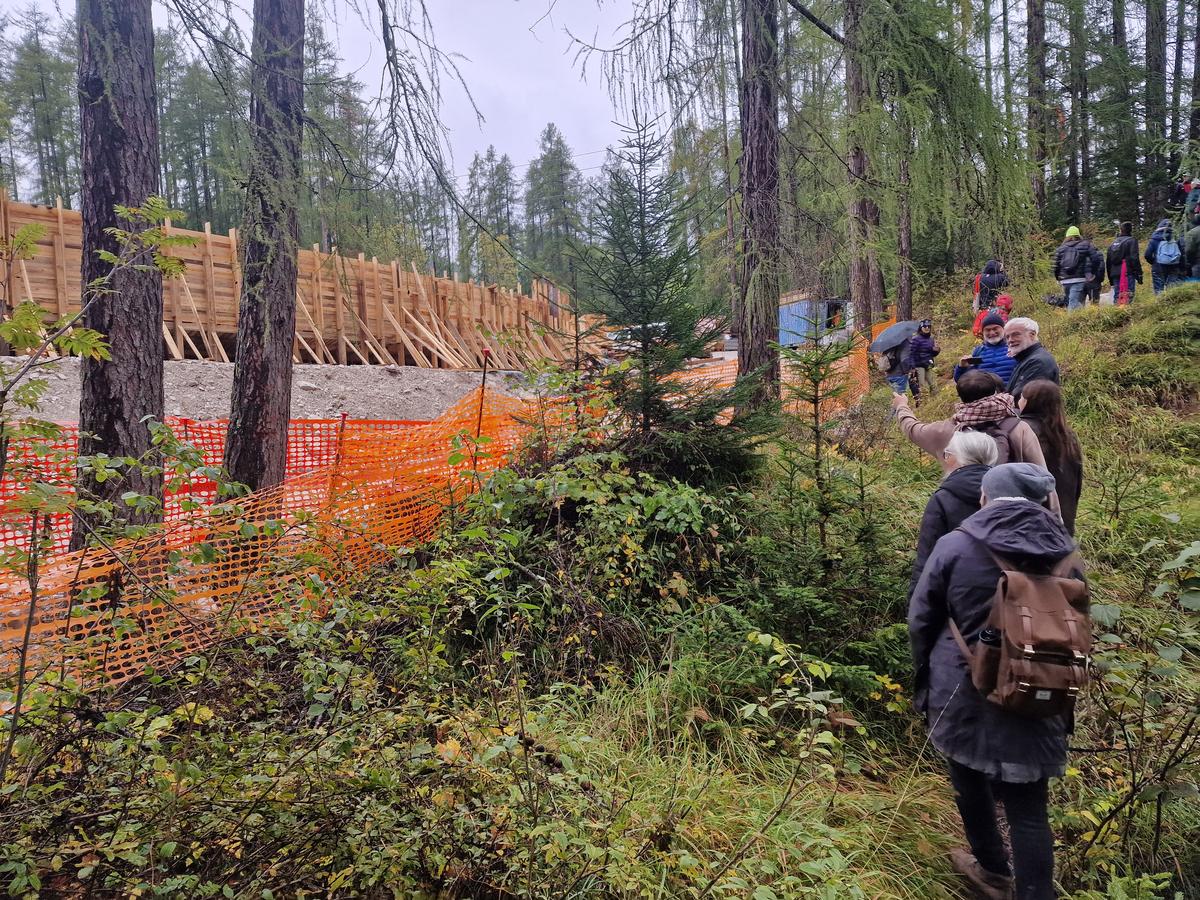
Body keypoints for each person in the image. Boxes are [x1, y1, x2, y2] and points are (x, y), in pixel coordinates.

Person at [909, 463, 1080, 900]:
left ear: (987, 497)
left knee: (968, 779)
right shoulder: (1067, 554)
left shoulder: (957, 544)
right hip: (1039, 686)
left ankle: (991, 870)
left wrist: (924, 674)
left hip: (963, 682)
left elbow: (921, 616)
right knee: (1028, 809)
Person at [893, 369, 1047, 471]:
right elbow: (1042, 474)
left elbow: (912, 429)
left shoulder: (947, 431)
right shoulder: (1018, 427)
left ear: (961, 398)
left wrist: (902, 405)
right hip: (1014, 511)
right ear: (995, 392)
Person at [908, 430, 997, 597]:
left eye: (947, 454)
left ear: (959, 459)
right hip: (1006, 600)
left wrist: (916, 604)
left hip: (957, 599)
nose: (944, 459)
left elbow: (927, 559)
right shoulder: (1010, 494)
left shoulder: (943, 499)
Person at [1019, 380, 1084, 535]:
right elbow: (1077, 481)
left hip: (1031, 524)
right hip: (1063, 521)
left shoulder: (1022, 431)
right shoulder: (1067, 436)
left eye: (1022, 397)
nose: (1018, 400)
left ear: (1029, 402)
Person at [1004, 317, 1060, 402]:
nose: (1010, 340)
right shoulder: (1026, 358)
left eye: (1016, 334)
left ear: (1032, 335)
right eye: (1007, 337)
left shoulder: (1038, 362)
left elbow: (1023, 398)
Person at [956, 311, 1017, 384]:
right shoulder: (978, 351)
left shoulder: (1015, 348)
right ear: (983, 332)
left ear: (1003, 329)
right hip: (985, 394)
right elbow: (962, 382)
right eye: (987, 330)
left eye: (995, 329)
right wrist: (961, 367)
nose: (991, 333)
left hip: (1012, 393)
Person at [1053, 226, 1097, 311]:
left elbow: (1056, 265)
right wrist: (1092, 273)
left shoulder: (1061, 248)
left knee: (1071, 301)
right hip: (1079, 278)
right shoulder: (1086, 244)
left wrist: (1057, 277)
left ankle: (1077, 318)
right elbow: (1095, 259)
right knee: (1073, 301)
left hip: (1064, 279)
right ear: (1078, 235)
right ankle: (1076, 318)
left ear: (1067, 236)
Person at [1105, 222, 1142, 304]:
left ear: (1121, 230)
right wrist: (1139, 274)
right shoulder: (1132, 241)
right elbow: (1134, 258)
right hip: (1127, 273)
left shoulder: (1112, 244)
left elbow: (1108, 262)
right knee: (1128, 296)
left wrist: (1110, 279)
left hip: (1115, 274)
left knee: (1118, 297)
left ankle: (1117, 313)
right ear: (1130, 230)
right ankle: (1126, 314)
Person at [1145, 218, 1185, 294]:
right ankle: (1173, 305)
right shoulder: (1175, 238)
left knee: (1159, 290)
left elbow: (1147, 255)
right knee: (1173, 291)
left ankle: (1160, 304)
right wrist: (1182, 267)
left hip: (1158, 267)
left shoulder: (1154, 239)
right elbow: (1181, 254)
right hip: (1173, 267)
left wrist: (1153, 262)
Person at [906, 319, 940, 401]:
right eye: (925, 326)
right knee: (922, 384)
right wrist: (912, 367)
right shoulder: (916, 339)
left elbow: (932, 353)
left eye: (929, 326)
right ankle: (924, 401)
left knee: (932, 383)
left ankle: (935, 400)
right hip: (918, 365)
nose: (927, 328)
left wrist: (937, 350)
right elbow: (911, 354)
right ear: (921, 327)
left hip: (928, 363)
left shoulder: (931, 339)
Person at [1184, 214, 1200, 280]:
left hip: (1197, 262)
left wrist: (1188, 262)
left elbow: (1189, 250)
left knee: (1196, 284)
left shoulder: (1192, 233)